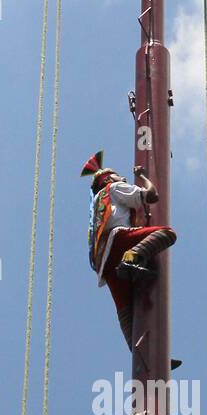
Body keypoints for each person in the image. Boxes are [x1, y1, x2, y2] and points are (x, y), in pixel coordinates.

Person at [81, 151, 179, 362]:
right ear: (108, 179)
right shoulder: (114, 188)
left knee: (126, 313)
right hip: (119, 242)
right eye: (118, 175)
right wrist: (143, 176)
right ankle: (132, 257)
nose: (123, 178)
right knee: (167, 234)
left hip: (105, 264)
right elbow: (151, 196)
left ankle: (144, 357)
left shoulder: (98, 202)